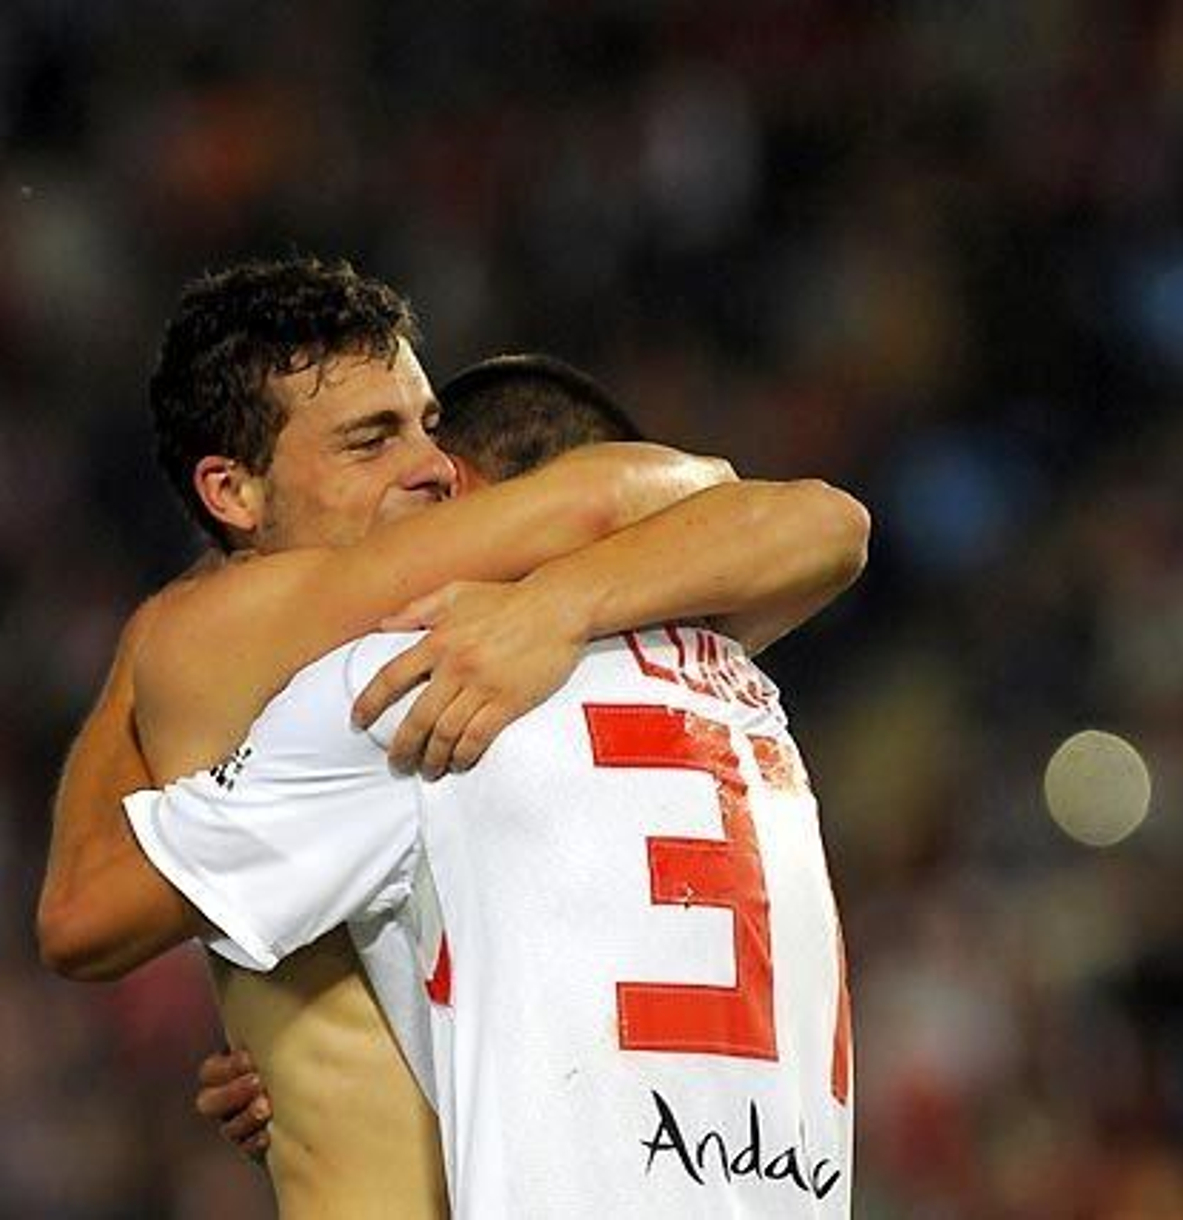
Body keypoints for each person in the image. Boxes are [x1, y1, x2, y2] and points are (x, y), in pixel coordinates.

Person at [37, 259, 868, 1215]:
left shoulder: (403, 681)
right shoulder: (724, 663)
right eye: (370, 441)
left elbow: (81, 915)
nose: (430, 468)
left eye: (431, 431)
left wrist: (146, 640)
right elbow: (818, 519)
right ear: (232, 490)